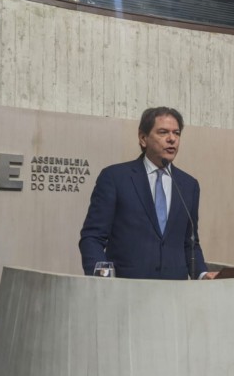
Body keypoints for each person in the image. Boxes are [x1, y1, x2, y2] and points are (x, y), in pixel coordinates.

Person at [79, 107, 218, 280]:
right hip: (127, 290)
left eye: (176, 133)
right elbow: (92, 237)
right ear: (143, 138)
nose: (172, 139)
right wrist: (101, 280)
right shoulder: (115, 178)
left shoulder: (189, 185)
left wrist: (202, 274)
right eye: (163, 132)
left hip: (176, 293)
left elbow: (190, 243)